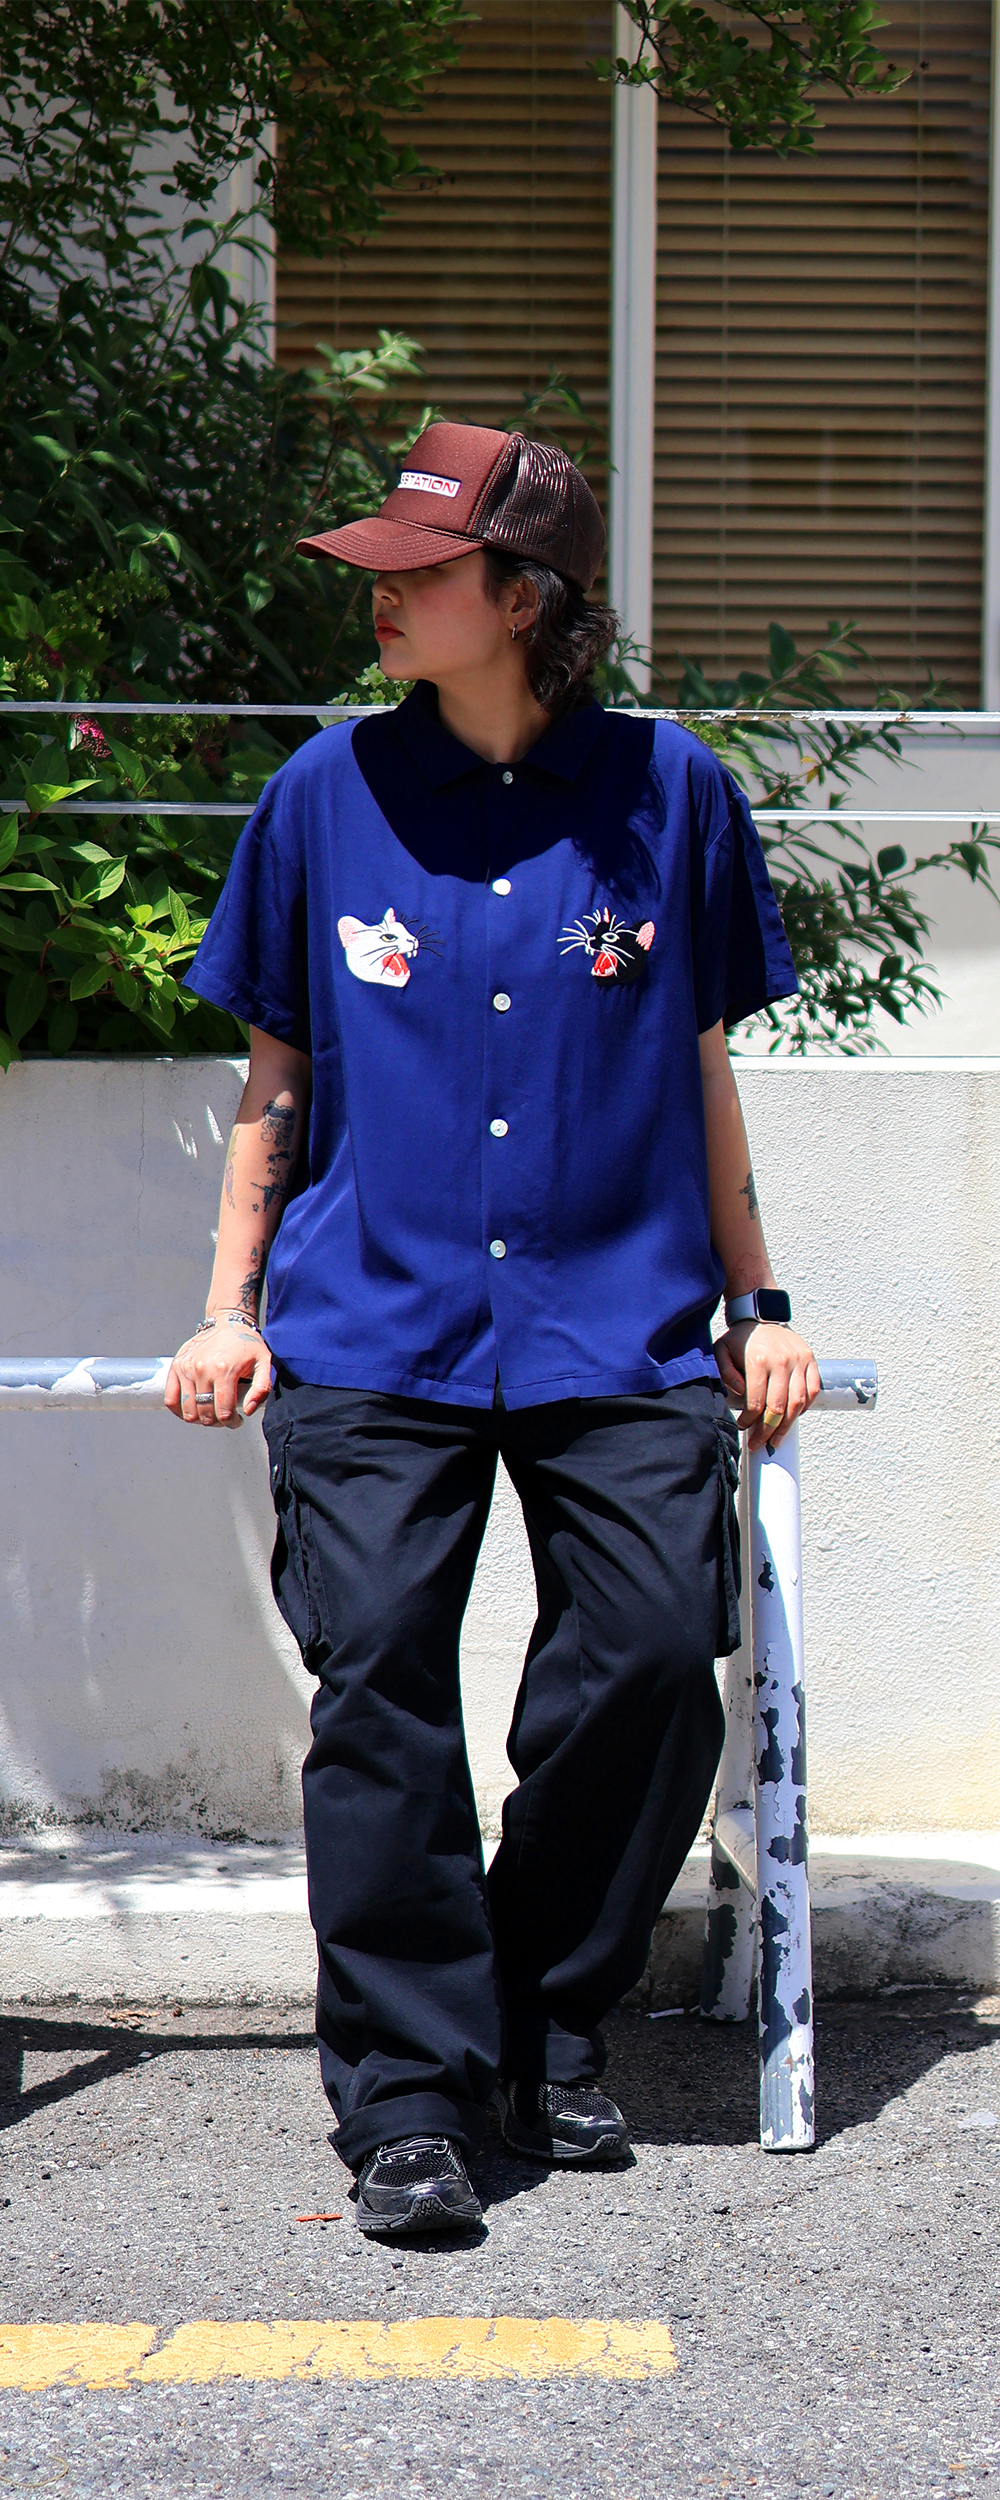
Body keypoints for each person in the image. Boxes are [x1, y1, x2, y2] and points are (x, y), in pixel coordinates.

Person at [167, 421, 821, 2240]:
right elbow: (276, 1080)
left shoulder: (672, 791)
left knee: (648, 1657)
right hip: (372, 1324)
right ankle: (409, 2100)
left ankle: (537, 2017)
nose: (378, 600)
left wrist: (759, 1299)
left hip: (619, 1317)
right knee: (380, 1680)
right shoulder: (324, 794)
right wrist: (227, 1308)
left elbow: (699, 1065)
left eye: (420, 572)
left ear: (524, 597)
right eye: (376, 572)